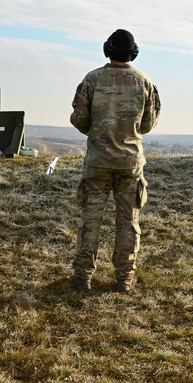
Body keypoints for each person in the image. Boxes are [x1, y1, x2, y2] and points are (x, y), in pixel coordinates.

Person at [69, 29, 161, 293]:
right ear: (133, 52)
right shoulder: (144, 81)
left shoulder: (92, 79)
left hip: (97, 162)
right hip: (129, 163)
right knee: (128, 222)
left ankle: (83, 277)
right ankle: (124, 279)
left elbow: (79, 119)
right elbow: (148, 123)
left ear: (107, 50)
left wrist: (99, 134)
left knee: (90, 220)